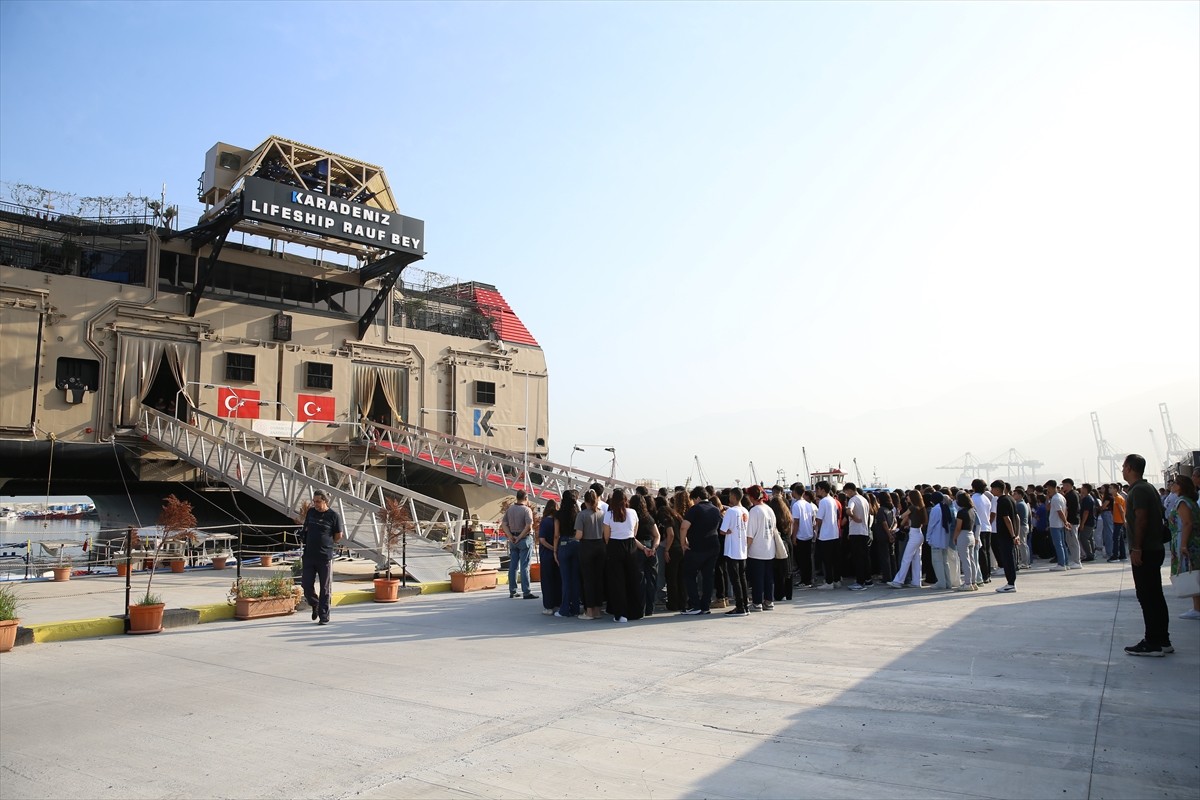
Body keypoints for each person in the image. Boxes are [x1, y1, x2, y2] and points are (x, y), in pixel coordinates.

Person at [1121, 454, 1172, 657]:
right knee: (1155, 596)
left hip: (1146, 550)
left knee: (1147, 596)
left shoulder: (1139, 490)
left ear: (1131, 468)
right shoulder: (1147, 487)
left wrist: (1137, 547)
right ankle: (1163, 639)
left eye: (1124, 466)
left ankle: (1152, 642)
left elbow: (1141, 520)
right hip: (1154, 548)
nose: (1122, 469)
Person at [603, 488, 648, 623]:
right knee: (632, 579)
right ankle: (635, 611)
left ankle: (620, 614)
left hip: (614, 546)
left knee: (617, 582)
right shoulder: (633, 512)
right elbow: (634, 532)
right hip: (630, 545)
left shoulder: (609, 515)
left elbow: (606, 536)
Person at [300, 491, 343, 625]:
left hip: (324, 557)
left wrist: (327, 543)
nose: (315, 504)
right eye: (314, 501)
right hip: (309, 555)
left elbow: (338, 536)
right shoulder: (311, 512)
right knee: (306, 585)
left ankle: (324, 616)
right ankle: (315, 604)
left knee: (324, 588)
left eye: (318, 501)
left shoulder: (334, 516)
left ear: (325, 501)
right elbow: (305, 528)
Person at [680, 485, 721, 614]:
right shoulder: (715, 509)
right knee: (708, 577)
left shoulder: (695, 509)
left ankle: (695, 605)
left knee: (689, 575)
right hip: (713, 545)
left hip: (697, 547)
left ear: (697, 497)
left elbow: (683, 527)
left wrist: (683, 543)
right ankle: (705, 605)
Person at [1167, 475, 1200, 621]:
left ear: (1181, 486)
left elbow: (1187, 523)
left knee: (1191, 573)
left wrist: (1183, 544)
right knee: (1195, 573)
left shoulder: (1182, 502)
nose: (1172, 485)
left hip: (1187, 540)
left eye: (1175, 483)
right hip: (1191, 540)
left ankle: (1197, 608)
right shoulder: (1189, 501)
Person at [576, 489, 607, 620]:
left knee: (588, 580)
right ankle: (598, 610)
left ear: (585, 500)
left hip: (587, 546)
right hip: (601, 545)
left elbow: (579, 535)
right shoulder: (603, 514)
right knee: (599, 579)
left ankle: (589, 611)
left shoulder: (582, 515)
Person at [745, 485, 778, 608]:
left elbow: (750, 534)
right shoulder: (769, 509)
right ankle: (769, 600)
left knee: (757, 577)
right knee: (768, 577)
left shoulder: (754, 511)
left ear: (751, 496)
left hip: (757, 549)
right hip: (769, 547)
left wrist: (745, 549)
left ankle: (757, 602)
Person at [719, 486, 750, 616]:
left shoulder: (731, 511)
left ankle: (739, 606)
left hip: (732, 549)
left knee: (735, 578)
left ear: (733, 496)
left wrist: (727, 531)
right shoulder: (745, 511)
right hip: (742, 547)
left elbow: (722, 530)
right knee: (742, 578)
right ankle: (745, 604)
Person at [631, 494, 661, 617]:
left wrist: (643, 548)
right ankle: (650, 608)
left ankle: (640, 608)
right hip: (651, 548)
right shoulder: (649, 517)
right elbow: (657, 535)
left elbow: (632, 536)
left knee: (639, 581)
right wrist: (653, 548)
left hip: (639, 549)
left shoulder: (632, 517)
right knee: (651, 580)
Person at [503, 490, 537, 600]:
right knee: (524, 566)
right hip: (524, 539)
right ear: (526, 498)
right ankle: (526, 591)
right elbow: (528, 526)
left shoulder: (510, 509)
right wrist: (520, 536)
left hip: (513, 539)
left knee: (513, 566)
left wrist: (510, 536)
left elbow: (504, 524)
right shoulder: (527, 510)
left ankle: (512, 590)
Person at [889, 490, 925, 589]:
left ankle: (898, 581)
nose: (907, 498)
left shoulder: (912, 507)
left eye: (908, 496)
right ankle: (916, 581)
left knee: (906, 558)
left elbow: (902, 516)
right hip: (919, 533)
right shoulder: (921, 508)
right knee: (916, 559)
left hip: (914, 535)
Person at [554, 491, 582, 618]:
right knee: (575, 578)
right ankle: (575, 607)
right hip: (576, 544)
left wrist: (555, 551)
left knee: (565, 579)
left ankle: (564, 609)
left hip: (564, 544)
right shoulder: (578, 514)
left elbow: (556, 535)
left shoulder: (558, 515)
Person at [991, 480, 1019, 593]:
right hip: (1011, 535)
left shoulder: (1001, 501)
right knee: (1010, 559)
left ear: (997, 489)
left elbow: (1007, 519)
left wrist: (1013, 535)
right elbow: (1017, 517)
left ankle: (1011, 583)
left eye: (992, 488)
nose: (991, 491)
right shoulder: (1011, 499)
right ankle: (1011, 582)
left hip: (1005, 535)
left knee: (1008, 560)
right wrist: (1017, 534)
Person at [813, 481, 842, 590]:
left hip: (825, 534)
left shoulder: (823, 502)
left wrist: (816, 530)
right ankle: (836, 580)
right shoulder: (833, 500)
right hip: (834, 533)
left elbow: (819, 519)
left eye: (817, 489)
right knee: (835, 560)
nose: (816, 491)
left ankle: (829, 582)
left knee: (827, 560)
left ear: (822, 489)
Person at [843, 482, 871, 591]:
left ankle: (860, 582)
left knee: (858, 558)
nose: (846, 495)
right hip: (864, 531)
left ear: (850, 490)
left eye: (846, 492)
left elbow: (848, 510)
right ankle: (868, 579)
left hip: (856, 532)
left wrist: (854, 518)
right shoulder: (864, 500)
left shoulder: (853, 500)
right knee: (865, 557)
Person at [790, 484, 816, 589]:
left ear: (795, 492)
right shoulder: (808, 504)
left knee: (801, 560)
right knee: (807, 559)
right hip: (808, 534)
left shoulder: (796, 505)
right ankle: (808, 580)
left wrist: (794, 536)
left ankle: (805, 580)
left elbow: (796, 522)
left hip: (800, 535)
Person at [537, 499, 560, 615]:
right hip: (558, 554)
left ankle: (548, 606)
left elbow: (542, 539)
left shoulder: (545, 522)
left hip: (546, 554)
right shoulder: (558, 521)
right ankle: (557, 603)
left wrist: (551, 548)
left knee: (547, 581)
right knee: (557, 579)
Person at [952, 492, 979, 592]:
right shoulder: (972, 510)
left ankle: (967, 583)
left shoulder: (961, 512)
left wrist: (954, 537)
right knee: (972, 560)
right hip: (971, 534)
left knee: (965, 560)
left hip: (963, 535)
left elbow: (958, 527)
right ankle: (973, 582)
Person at [1045, 480, 1069, 571]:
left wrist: (1065, 521)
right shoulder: (1060, 497)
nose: (1047, 490)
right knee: (1062, 544)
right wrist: (1065, 521)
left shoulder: (1055, 498)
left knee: (1058, 544)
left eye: (1048, 488)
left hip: (1056, 524)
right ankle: (1065, 562)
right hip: (1060, 524)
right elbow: (1064, 510)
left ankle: (1061, 564)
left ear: (1051, 487)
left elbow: (1060, 512)